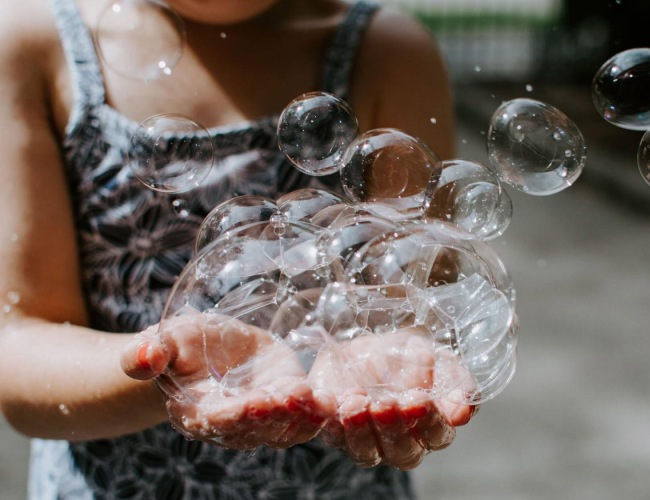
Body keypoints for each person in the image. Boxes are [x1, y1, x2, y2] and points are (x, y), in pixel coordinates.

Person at [0, 0, 471, 497]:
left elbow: (422, 302)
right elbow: (18, 348)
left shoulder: (388, 52)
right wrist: (168, 370)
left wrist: (397, 362)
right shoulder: (34, 45)